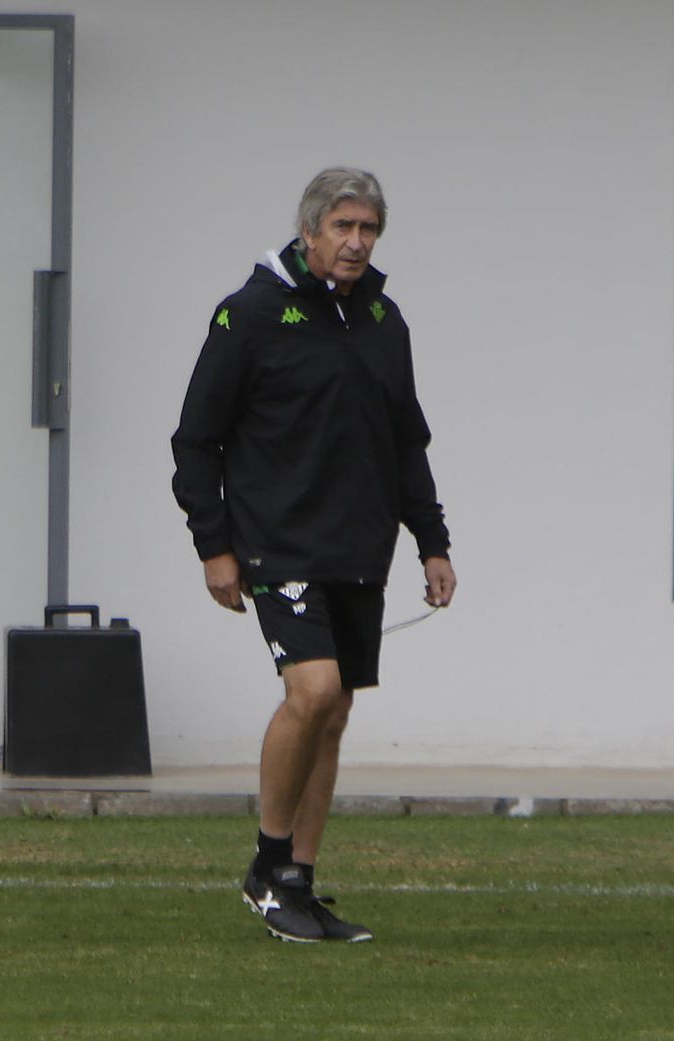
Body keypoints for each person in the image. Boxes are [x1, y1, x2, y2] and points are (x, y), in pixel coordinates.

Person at [171, 167, 456, 943]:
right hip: (276, 542)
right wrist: (215, 546)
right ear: (309, 232)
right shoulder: (251, 314)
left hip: (358, 546)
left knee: (334, 711)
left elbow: (406, 442)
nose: (357, 243)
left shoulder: (383, 321)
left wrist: (432, 541)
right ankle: (266, 865)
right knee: (312, 691)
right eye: (344, 228)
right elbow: (196, 439)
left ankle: (299, 882)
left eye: (369, 230)